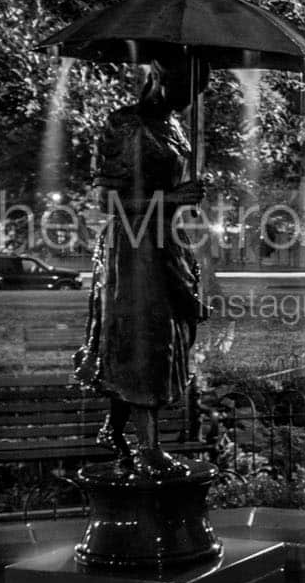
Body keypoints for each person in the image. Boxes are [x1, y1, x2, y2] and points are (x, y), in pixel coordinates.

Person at [74, 53, 208, 475]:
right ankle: (148, 449)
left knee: (172, 334)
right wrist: (173, 198)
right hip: (132, 245)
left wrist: (185, 196)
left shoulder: (175, 128)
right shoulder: (123, 124)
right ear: (157, 77)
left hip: (167, 241)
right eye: (181, 90)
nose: (185, 101)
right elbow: (107, 201)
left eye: (193, 94)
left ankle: (114, 429)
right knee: (143, 338)